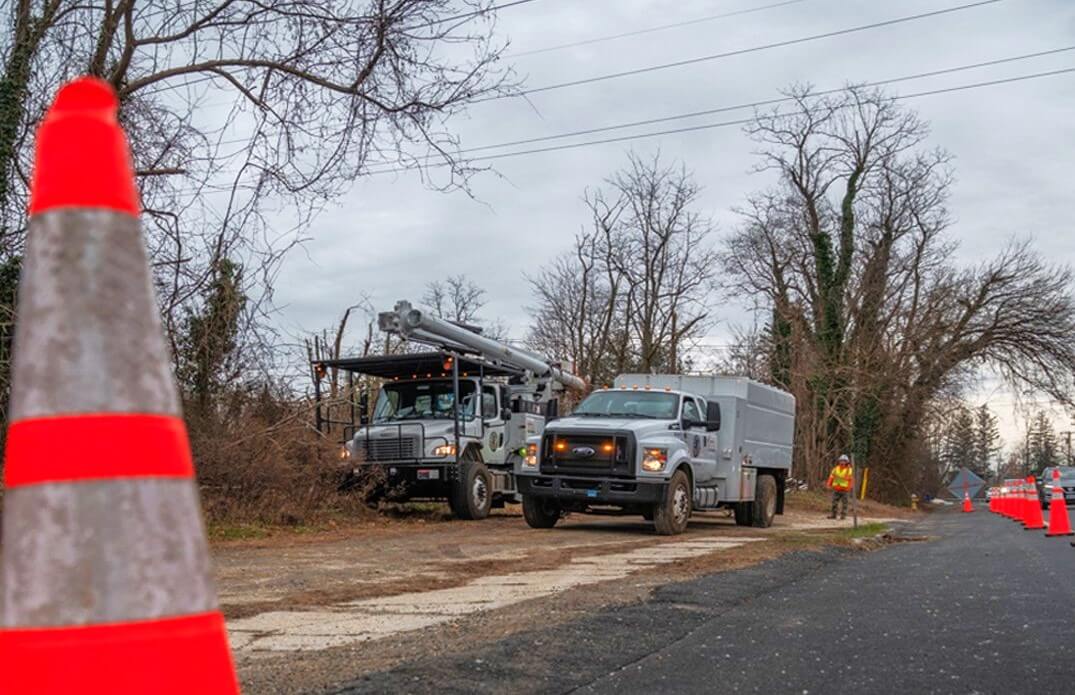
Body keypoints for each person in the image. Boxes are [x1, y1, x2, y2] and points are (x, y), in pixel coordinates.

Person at [826, 454, 854, 519]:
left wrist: (850, 487)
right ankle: (833, 515)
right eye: (841, 461)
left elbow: (851, 480)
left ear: (847, 462)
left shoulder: (849, 470)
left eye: (844, 461)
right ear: (839, 461)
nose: (842, 462)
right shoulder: (835, 469)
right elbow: (831, 477)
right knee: (834, 503)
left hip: (845, 490)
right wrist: (828, 484)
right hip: (836, 489)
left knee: (845, 503)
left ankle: (843, 516)